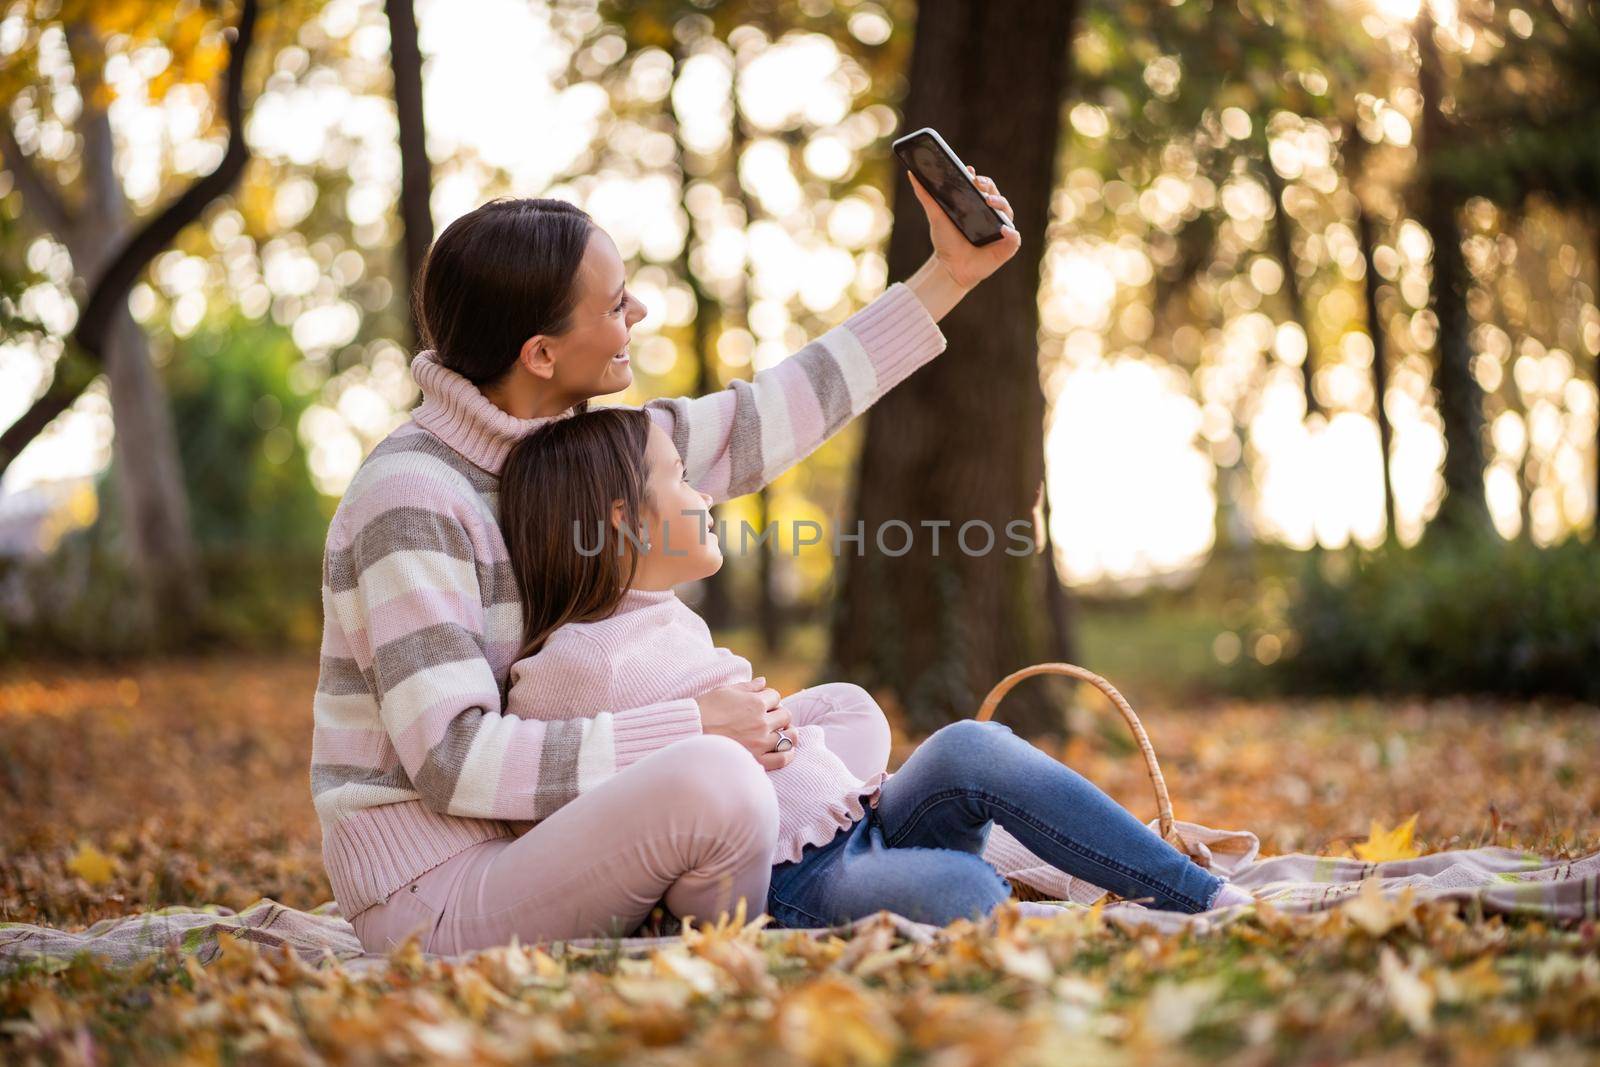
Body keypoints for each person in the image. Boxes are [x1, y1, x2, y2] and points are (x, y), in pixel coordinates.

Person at [313, 166, 1022, 954]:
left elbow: (771, 413)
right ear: (542, 354)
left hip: (558, 829)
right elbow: (453, 760)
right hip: (440, 883)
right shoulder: (412, 497)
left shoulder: (583, 455)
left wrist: (946, 277)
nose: (639, 312)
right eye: (616, 305)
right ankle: (792, 903)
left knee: (834, 716)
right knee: (720, 777)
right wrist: (693, 726)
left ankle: (894, 866)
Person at [484, 407, 1248, 935]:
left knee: (969, 745)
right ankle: (998, 889)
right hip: (795, 884)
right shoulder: (568, 666)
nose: (703, 492)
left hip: (865, 818)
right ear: (622, 518)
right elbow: (554, 821)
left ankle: (1204, 894)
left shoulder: (666, 613)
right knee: (964, 888)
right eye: (680, 478)